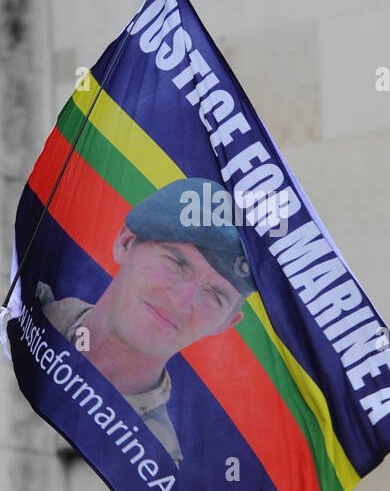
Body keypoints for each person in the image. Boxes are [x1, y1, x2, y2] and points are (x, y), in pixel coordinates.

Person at [37, 177, 256, 466]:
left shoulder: (155, 465)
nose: (180, 303)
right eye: (176, 263)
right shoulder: (25, 308)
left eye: (215, 296)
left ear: (225, 324)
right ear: (126, 242)